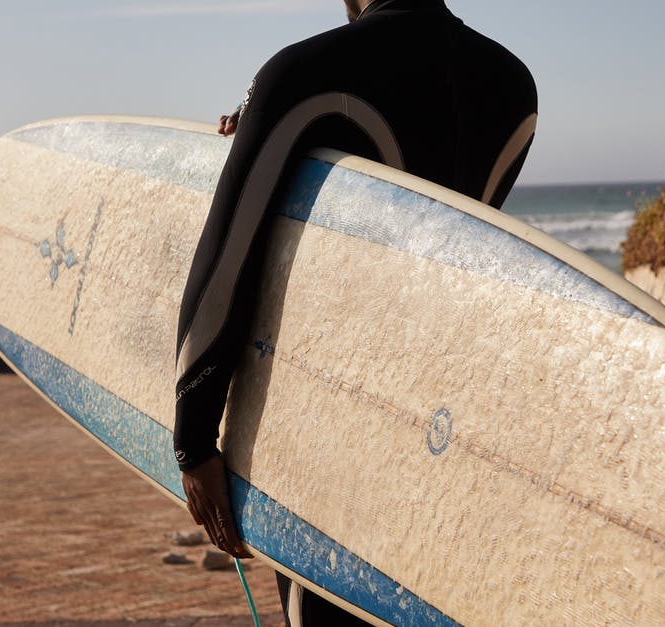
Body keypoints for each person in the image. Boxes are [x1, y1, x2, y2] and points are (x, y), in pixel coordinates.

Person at [174, 0, 537, 623]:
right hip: (440, 434)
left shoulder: (302, 73)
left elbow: (226, 260)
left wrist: (193, 435)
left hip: (331, 432)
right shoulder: (513, 86)